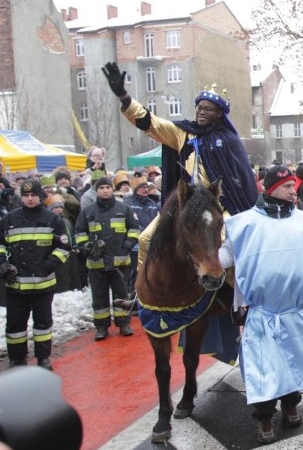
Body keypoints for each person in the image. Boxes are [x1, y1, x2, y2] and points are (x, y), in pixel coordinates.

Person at [218, 166, 303, 443]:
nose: (292, 191)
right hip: (263, 314)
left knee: (292, 362)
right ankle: (263, 418)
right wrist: (205, 260)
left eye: (293, 186)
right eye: (286, 186)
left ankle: (290, 405)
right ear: (269, 188)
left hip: (294, 312)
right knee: (264, 367)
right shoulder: (244, 223)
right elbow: (225, 255)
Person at [101, 62, 258, 276]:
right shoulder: (183, 133)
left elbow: (241, 182)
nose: (201, 112)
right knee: (146, 238)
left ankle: (235, 297)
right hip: (187, 202)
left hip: (219, 204)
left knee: (230, 240)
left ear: (219, 114)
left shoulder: (229, 140)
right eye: (199, 108)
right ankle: (139, 294)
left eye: (208, 109)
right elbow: (150, 122)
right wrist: (124, 97)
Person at [0, 179, 70, 370]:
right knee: (15, 326)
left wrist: (45, 267)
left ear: (40, 197)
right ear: (21, 197)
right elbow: (1, 245)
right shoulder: (9, 220)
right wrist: (3, 264)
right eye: (26, 195)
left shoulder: (53, 220)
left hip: (43, 285)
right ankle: (17, 359)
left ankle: (43, 358)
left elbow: (64, 249)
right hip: (16, 286)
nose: (30, 199)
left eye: (33, 195)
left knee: (43, 324)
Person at [74, 176, 141, 340]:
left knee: (121, 295)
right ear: (96, 191)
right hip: (96, 263)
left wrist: (127, 245)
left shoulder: (124, 208)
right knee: (99, 298)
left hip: (120, 262)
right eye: (101, 188)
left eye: (107, 187)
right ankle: (102, 328)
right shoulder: (88, 211)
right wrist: (86, 247)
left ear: (112, 189)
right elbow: (79, 232)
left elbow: (134, 228)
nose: (105, 191)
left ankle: (124, 324)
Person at [124, 178, 160, 300]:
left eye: (147, 187)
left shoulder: (151, 204)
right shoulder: (128, 203)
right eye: (142, 187)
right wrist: (146, 233)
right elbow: (132, 223)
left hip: (152, 244)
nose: (146, 190)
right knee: (136, 273)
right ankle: (134, 298)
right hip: (136, 245)